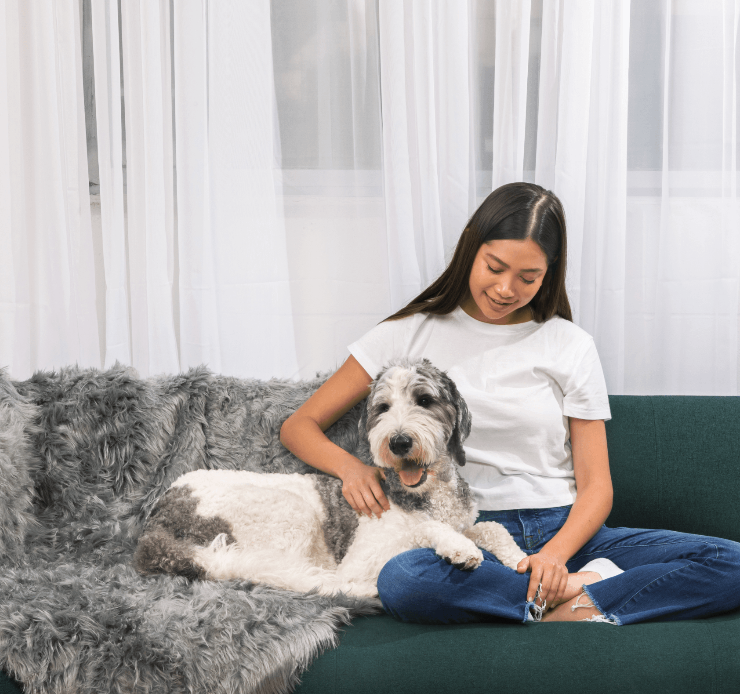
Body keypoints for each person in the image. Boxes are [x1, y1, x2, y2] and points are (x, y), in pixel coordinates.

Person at [280, 182, 740, 625]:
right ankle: (578, 597)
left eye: (528, 277)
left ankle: (564, 596)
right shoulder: (405, 334)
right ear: (470, 249)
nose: (506, 289)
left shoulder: (570, 344)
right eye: (495, 267)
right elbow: (299, 425)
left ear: (549, 274)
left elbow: (597, 486)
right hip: (462, 535)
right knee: (404, 580)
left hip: (565, 532)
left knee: (730, 561)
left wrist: (554, 560)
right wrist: (351, 468)